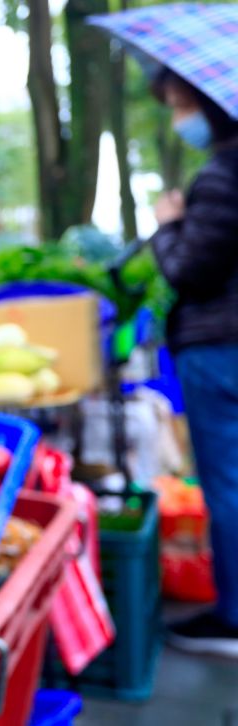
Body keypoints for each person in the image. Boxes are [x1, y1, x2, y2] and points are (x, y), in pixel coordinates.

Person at [150, 68, 238, 658]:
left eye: (180, 102)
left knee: (227, 483)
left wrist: (168, 226)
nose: (179, 117)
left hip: (219, 346)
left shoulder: (223, 174)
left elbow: (188, 270)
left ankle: (233, 618)